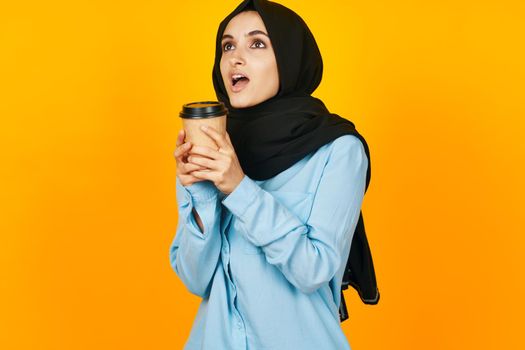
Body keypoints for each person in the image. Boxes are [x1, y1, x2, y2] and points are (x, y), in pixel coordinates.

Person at [169, 0, 379, 349]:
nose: (236, 58)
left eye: (257, 44)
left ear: (290, 57)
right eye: (228, 45)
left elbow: (313, 270)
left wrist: (238, 188)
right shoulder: (212, 144)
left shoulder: (338, 149)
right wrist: (203, 195)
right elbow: (196, 279)